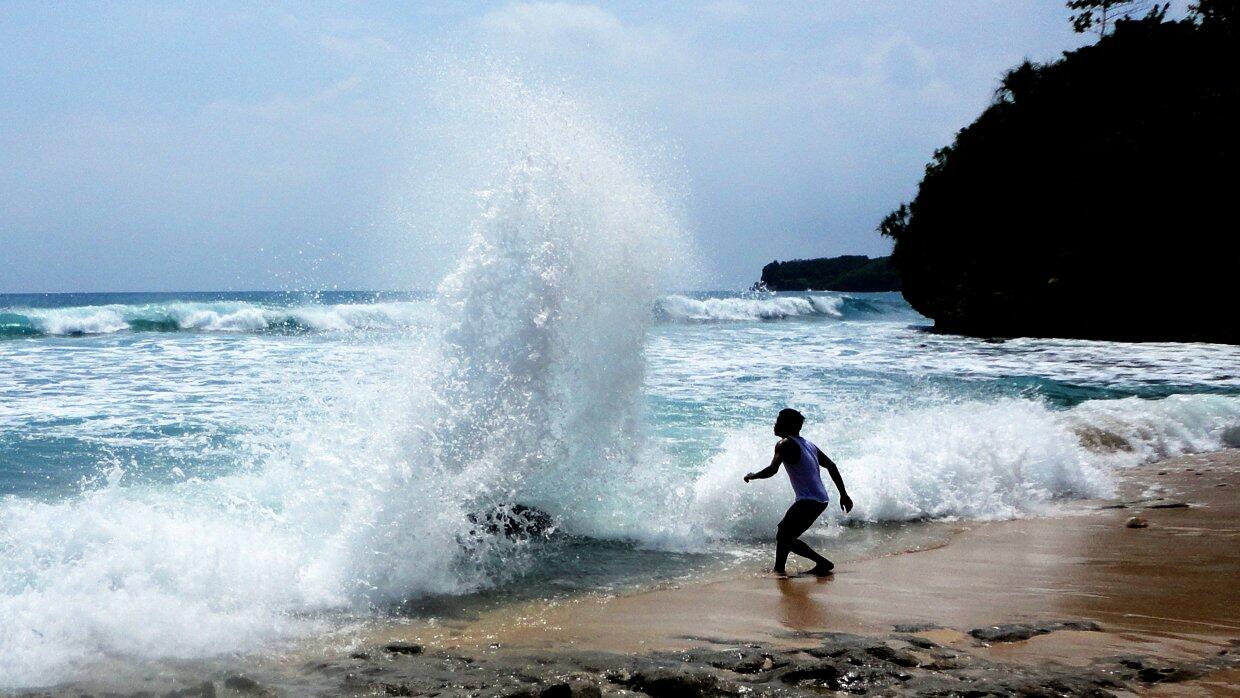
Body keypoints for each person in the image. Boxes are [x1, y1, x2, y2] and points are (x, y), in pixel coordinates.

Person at [744, 408, 853, 577]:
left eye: (779, 420)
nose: (775, 424)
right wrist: (843, 494)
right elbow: (831, 465)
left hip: (809, 500)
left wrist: (753, 475)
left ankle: (817, 563)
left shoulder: (785, 444)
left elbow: (773, 470)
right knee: (786, 534)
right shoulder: (808, 444)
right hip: (820, 499)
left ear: (789, 425)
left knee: (784, 534)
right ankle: (780, 568)